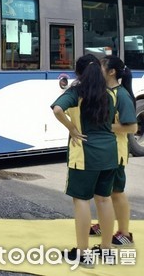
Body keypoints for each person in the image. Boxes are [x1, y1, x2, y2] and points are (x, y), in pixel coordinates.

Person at [50, 54, 119, 267]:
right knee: (104, 199)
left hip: (85, 153)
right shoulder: (109, 93)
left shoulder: (76, 92)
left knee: (81, 201)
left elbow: (58, 109)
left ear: (78, 73)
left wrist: (72, 128)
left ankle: (83, 253)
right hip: (109, 152)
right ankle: (107, 250)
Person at [88, 56, 137, 247]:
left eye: (101, 66)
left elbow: (132, 128)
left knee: (116, 192)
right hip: (104, 151)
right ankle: (104, 224)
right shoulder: (104, 91)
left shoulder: (122, 95)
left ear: (111, 72)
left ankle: (125, 233)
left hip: (116, 152)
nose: (97, 69)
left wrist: (106, 127)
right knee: (103, 192)